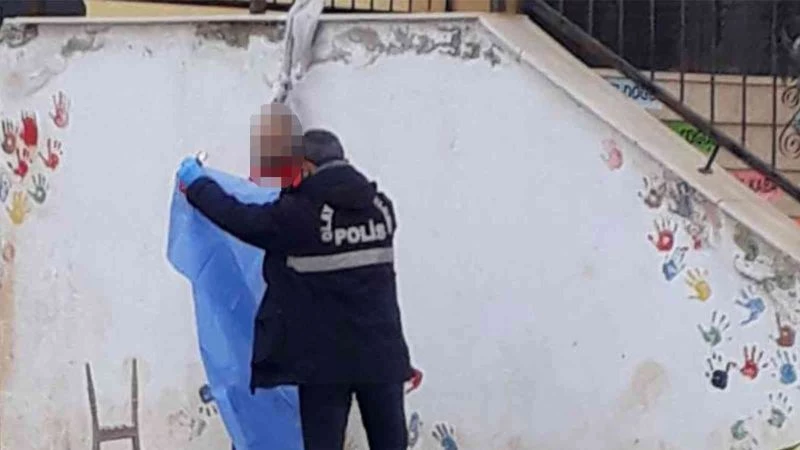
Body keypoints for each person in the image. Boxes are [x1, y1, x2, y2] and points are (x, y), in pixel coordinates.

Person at [176, 103, 416, 450]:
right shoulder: (382, 208)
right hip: (383, 355)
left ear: (306, 167)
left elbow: (238, 217)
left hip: (325, 364)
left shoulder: (300, 214)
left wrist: (197, 185)